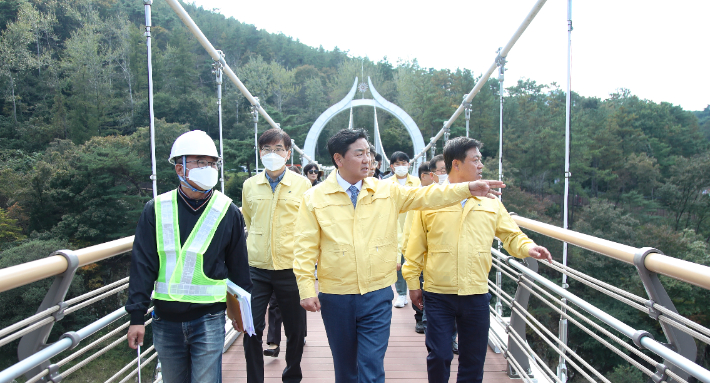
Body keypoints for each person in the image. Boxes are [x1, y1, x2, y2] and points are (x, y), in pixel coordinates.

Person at [293, 128, 505, 383]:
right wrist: (306, 287)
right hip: (336, 295)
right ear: (338, 159)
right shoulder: (313, 198)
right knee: (346, 369)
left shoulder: (387, 191)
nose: (367, 160)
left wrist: (467, 188)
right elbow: (304, 246)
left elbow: (428, 195)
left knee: (371, 365)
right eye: (359, 154)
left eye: (368, 153)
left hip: (378, 292)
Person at [403, 137, 552, 383]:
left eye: (480, 159)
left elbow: (512, 235)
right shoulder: (429, 199)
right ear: (456, 164)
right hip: (439, 293)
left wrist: (529, 248)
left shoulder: (490, 202)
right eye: (475, 160)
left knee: (473, 362)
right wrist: (412, 282)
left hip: (476, 293)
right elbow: (415, 246)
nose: (481, 165)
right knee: (439, 356)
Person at [125, 130, 252, 383]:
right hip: (165, 318)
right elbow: (143, 265)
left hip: (210, 318)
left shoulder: (227, 210)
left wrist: (242, 314)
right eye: (200, 162)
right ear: (180, 169)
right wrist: (136, 317)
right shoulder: (156, 209)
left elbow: (239, 268)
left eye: (212, 163)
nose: (208, 168)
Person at [241, 128, 312, 383]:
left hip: (291, 268)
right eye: (267, 149)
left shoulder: (303, 184)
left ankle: (292, 374)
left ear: (288, 153)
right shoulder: (250, 185)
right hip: (256, 268)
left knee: (296, 330)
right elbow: (249, 220)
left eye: (278, 149)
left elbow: (308, 225)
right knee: (251, 329)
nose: (273, 154)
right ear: (260, 153)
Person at [385, 151, 421, 308]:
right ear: (392, 167)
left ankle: (415, 290)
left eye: (404, 163)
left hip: (414, 225)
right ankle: (401, 293)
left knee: (414, 260)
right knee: (398, 261)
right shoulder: (386, 184)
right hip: (395, 226)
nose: (401, 166)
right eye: (397, 164)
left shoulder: (418, 182)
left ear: (409, 164)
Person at [399, 162, 431, 334]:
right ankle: (420, 318)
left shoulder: (447, 196)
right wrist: (404, 248)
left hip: (435, 254)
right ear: (423, 176)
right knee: (417, 282)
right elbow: (408, 226)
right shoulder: (415, 196)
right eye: (432, 172)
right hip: (415, 248)